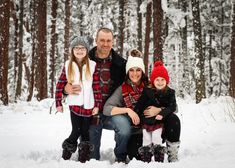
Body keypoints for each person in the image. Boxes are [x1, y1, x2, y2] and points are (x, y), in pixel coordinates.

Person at [63, 28, 127, 162]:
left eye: (108, 40)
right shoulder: (84, 59)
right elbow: (65, 79)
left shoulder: (121, 64)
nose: (105, 44)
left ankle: (121, 157)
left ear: (112, 42)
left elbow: (133, 84)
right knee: (91, 159)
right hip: (90, 113)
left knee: (124, 128)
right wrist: (65, 89)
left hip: (112, 112)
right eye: (102, 40)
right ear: (96, 40)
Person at [55, 36, 100, 163]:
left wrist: (97, 105)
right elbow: (60, 84)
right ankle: (67, 151)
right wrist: (58, 102)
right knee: (76, 130)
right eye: (76, 48)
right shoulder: (68, 65)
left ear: (86, 50)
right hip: (74, 106)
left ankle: (84, 156)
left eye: (82, 48)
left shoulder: (92, 65)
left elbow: (96, 87)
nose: (79, 51)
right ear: (72, 50)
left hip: (88, 106)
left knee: (85, 131)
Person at [103, 49, 149, 162]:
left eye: (138, 70)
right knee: (135, 155)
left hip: (147, 129)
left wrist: (156, 109)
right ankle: (120, 156)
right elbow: (106, 109)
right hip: (132, 131)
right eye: (131, 70)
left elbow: (171, 106)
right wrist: (128, 110)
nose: (135, 73)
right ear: (127, 72)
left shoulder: (149, 87)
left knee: (141, 158)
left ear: (142, 71)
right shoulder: (122, 89)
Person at [135, 61, 181, 163]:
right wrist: (136, 114)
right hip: (147, 120)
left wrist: (161, 112)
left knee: (157, 137)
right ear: (153, 81)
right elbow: (140, 104)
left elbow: (172, 106)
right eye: (157, 80)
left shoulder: (170, 92)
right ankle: (146, 158)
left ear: (166, 80)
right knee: (146, 138)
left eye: (162, 79)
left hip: (160, 121)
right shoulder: (148, 91)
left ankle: (159, 157)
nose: (160, 82)